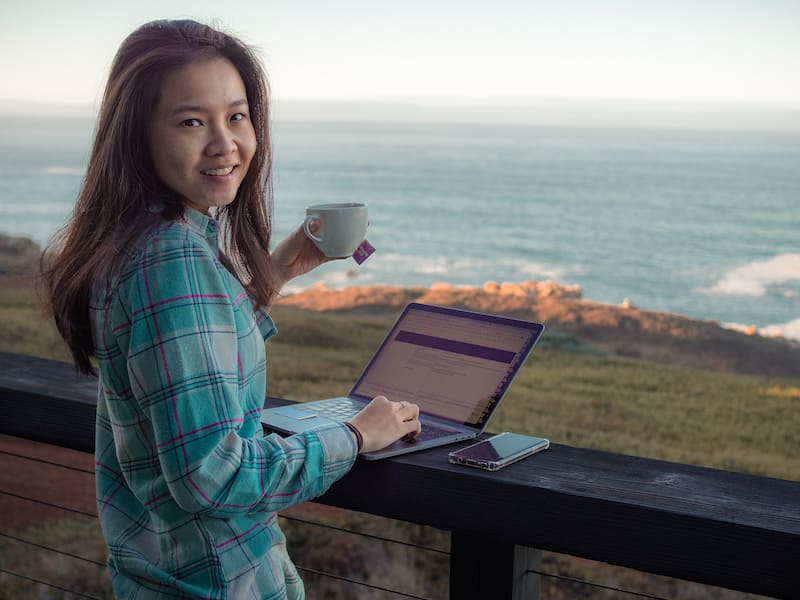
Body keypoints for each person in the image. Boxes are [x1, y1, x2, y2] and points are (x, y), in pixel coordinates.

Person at [42, 18, 421, 599]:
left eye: (237, 116)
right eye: (192, 121)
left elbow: (187, 357)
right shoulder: (170, 261)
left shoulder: (142, 239)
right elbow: (214, 478)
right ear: (137, 134)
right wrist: (356, 435)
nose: (226, 144)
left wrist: (276, 272)